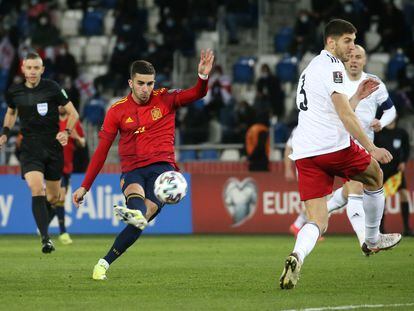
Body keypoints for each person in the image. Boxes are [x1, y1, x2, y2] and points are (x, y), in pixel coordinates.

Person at [279, 19, 401, 290]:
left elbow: (334, 108)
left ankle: (296, 256)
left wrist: (355, 96)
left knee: (317, 221)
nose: (353, 46)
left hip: (306, 153)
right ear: (331, 42)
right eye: (347, 40)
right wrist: (371, 147)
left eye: (355, 40)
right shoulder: (334, 66)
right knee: (375, 175)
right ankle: (371, 239)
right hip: (333, 147)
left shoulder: (311, 68)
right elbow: (344, 115)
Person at [72, 49, 214, 280]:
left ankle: (103, 263)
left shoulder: (166, 99)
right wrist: (84, 186)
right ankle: (125, 227)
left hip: (163, 171)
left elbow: (196, 93)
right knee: (138, 210)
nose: (145, 88)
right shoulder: (117, 111)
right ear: (131, 82)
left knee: (143, 214)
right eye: (140, 83)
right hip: (133, 170)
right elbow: (101, 152)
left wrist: (203, 77)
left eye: (149, 83)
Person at [289, 44, 397, 248]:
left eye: (359, 56)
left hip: (348, 143)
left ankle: (300, 228)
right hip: (342, 143)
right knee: (359, 188)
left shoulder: (374, 83)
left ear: (365, 60)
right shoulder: (336, 78)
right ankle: (368, 240)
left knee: (346, 195)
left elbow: (391, 110)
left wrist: (381, 122)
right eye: (352, 55)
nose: (354, 59)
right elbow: (344, 115)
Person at [0, 52, 79, 253]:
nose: (33, 71)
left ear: (42, 70)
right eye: (29, 68)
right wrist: (5, 133)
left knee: (53, 197)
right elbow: (11, 112)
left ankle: (45, 221)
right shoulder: (14, 92)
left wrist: (67, 132)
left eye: (37, 68)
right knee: (37, 189)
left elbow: (73, 113)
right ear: (23, 69)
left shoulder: (52, 88)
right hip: (30, 149)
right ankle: (46, 239)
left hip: (52, 148)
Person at [47, 106, 85, 245]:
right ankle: (63, 232)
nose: (61, 107)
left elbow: (83, 143)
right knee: (61, 196)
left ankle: (44, 224)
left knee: (57, 200)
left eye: (63, 104)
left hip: (68, 167)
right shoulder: (52, 122)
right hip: (54, 164)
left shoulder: (73, 123)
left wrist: (76, 137)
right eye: (58, 104)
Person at [374, 118, 412, 236]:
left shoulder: (401, 133)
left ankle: (407, 228)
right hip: (382, 170)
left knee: (405, 195)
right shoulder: (379, 133)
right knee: (381, 198)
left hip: (396, 171)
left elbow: (407, 149)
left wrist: (403, 162)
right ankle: (380, 228)